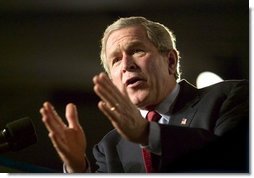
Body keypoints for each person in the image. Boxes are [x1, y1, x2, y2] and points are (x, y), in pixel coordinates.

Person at [39, 16, 249, 173]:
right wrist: (77, 168)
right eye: (116, 60)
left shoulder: (228, 97)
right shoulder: (109, 147)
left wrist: (148, 135)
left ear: (170, 61)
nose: (126, 64)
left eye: (137, 50)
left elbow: (233, 161)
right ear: (113, 81)